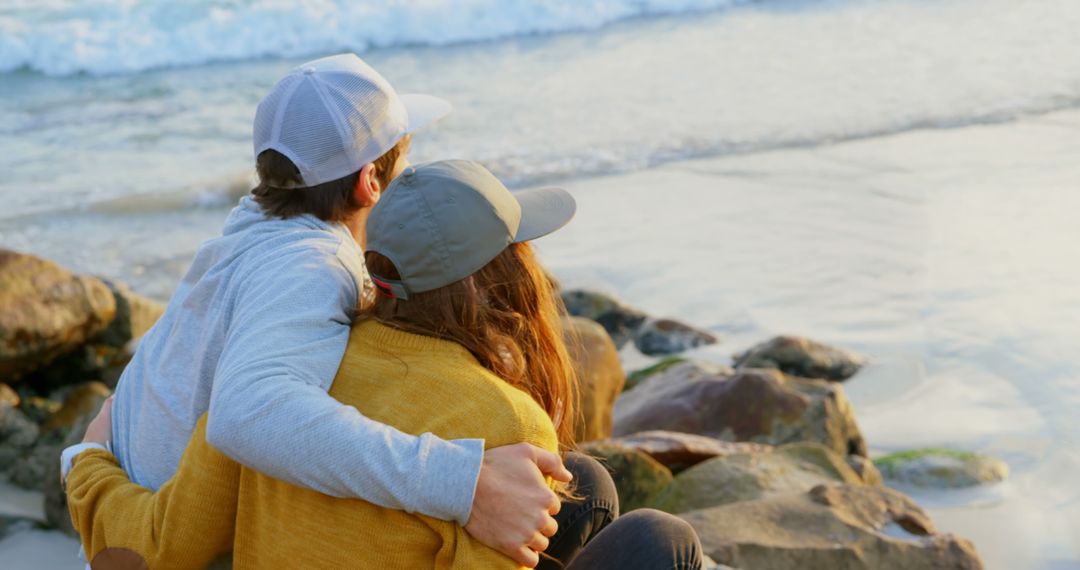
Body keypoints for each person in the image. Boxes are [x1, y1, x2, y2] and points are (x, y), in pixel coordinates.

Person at [60, 54, 569, 568]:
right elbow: (248, 413)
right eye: (404, 165)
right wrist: (460, 482)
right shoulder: (316, 265)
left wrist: (86, 461)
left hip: (134, 524)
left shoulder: (245, 232)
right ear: (371, 181)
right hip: (155, 537)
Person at [65, 160, 705, 569]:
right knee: (658, 542)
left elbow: (163, 542)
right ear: (491, 283)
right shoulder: (502, 424)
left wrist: (87, 463)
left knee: (584, 484)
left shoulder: (274, 379)